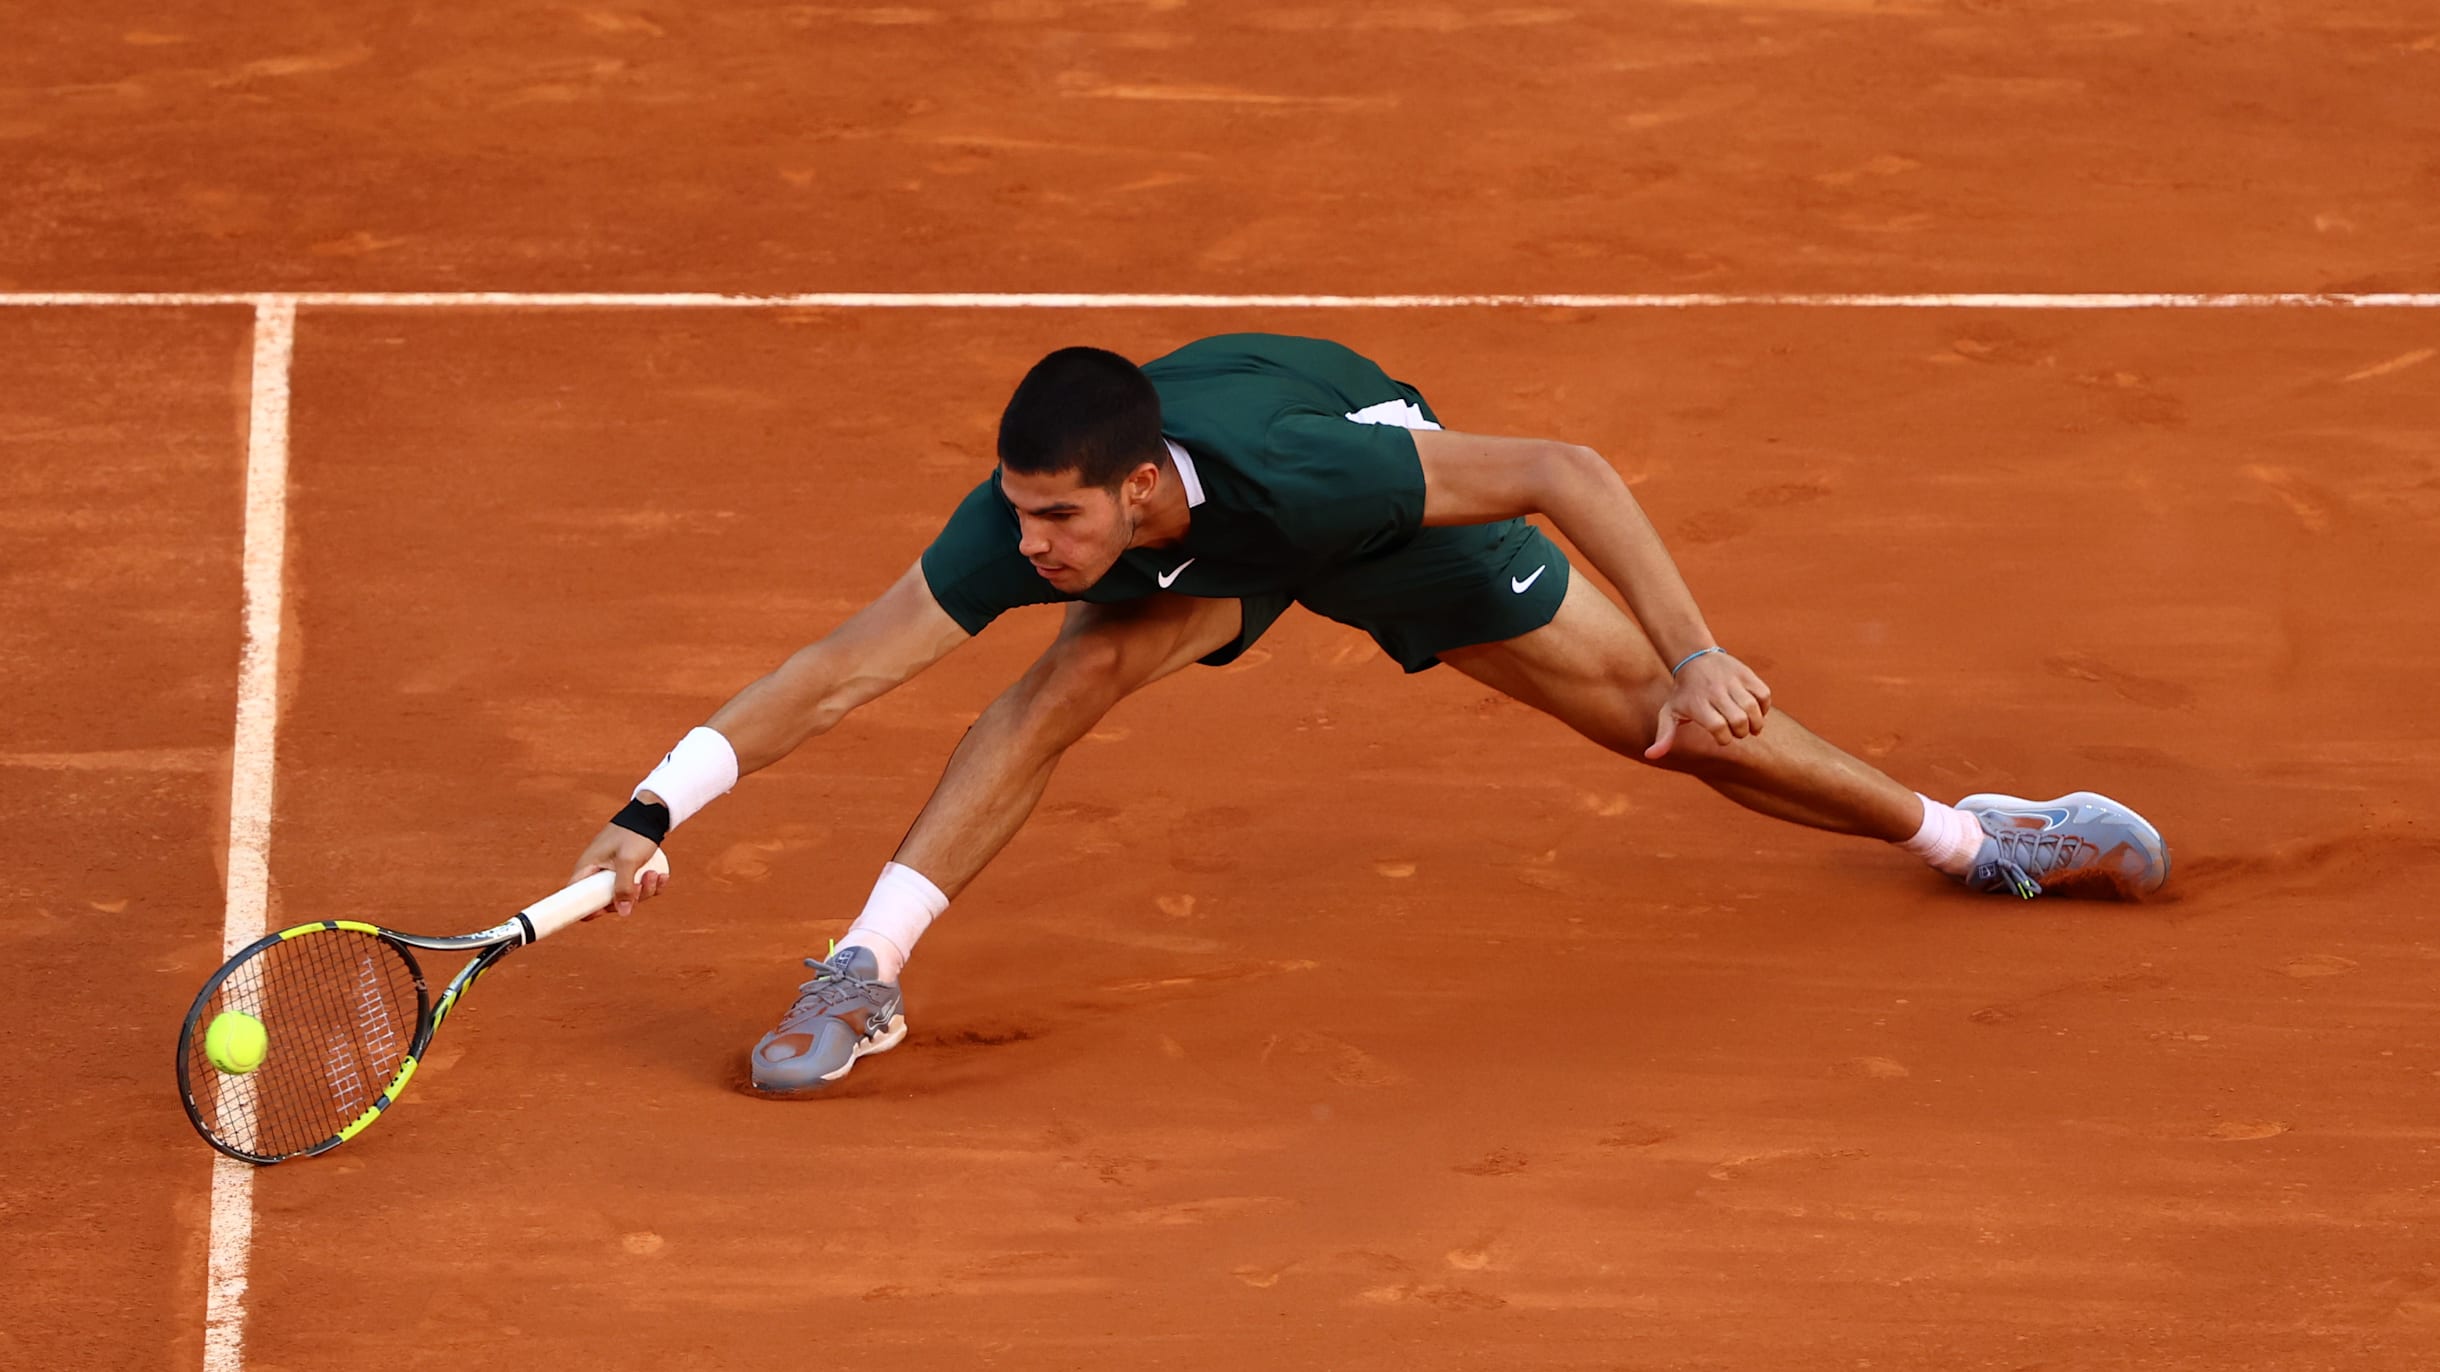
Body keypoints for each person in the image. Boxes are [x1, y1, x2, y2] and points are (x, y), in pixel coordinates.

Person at [567, 334, 2170, 1095]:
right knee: (1074, 666)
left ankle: (1976, 836)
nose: (1029, 546)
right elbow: (844, 666)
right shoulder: (1042, 522)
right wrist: (650, 810)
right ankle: (869, 974)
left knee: (1677, 731)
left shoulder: (1321, 470)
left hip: (1383, 539)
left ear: (1131, 487)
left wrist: (1694, 650)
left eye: (1055, 522)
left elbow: (1568, 471)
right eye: (1020, 517)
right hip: (1214, 564)